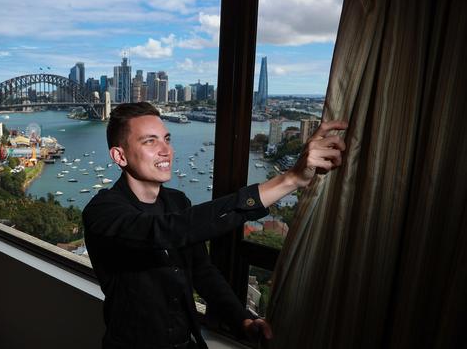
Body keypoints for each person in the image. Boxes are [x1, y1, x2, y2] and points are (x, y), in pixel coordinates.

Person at [83, 102, 347, 349]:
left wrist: (241, 319)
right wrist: (290, 179)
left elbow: (202, 271)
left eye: (166, 139)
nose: (166, 150)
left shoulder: (177, 201)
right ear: (119, 156)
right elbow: (166, 231)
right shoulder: (101, 212)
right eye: (150, 141)